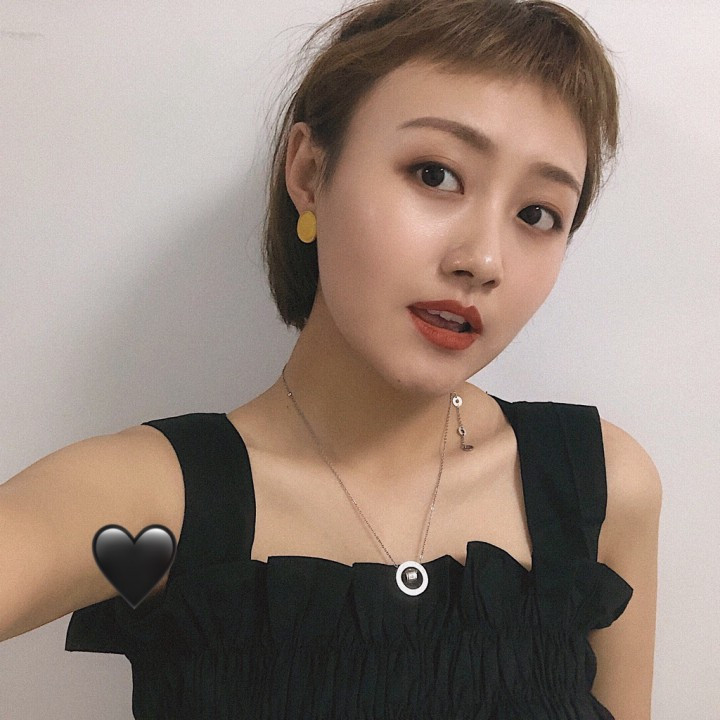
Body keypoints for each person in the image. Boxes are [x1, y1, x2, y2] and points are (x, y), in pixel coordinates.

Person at [0, 0, 661, 718]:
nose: (484, 260)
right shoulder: (155, 502)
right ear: (310, 172)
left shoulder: (597, 488)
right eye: (435, 174)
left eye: (537, 214)